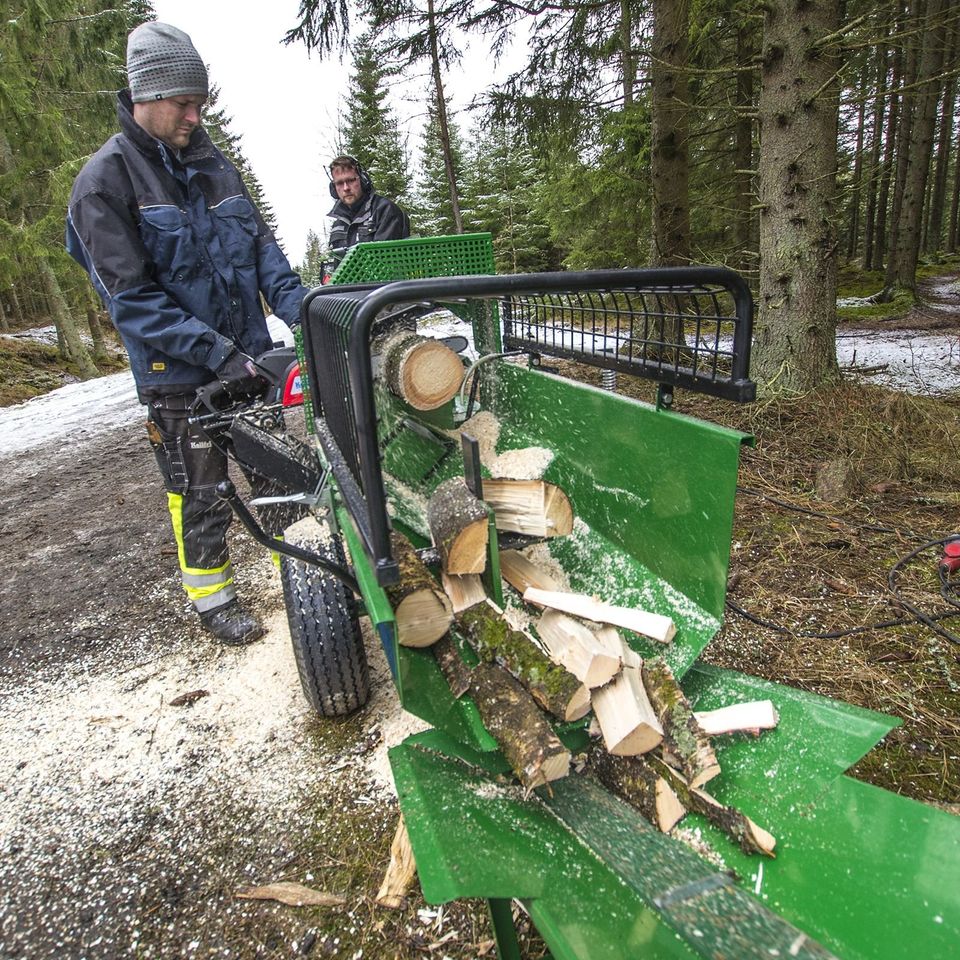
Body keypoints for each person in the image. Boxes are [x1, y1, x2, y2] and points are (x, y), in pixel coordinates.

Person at [66, 22, 309, 646]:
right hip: (178, 377)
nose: (196, 116)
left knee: (282, 473)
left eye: (200, 102)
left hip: (247, 362)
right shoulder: (104, 184)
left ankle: (310, 577)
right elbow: (132, 300)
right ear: (146, 96)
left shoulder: (216, 168)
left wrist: (306, 314)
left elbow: (265, 257)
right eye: (184, 103)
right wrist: (215, 353)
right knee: (201, 489)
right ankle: (214, 600)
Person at [326, 155, 410, 256]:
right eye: (339, 183)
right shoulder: (338, 224)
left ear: (363, 180)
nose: (346, 188)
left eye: (351, 180)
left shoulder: (384, 210)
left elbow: (385, 262)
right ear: (333, 188)